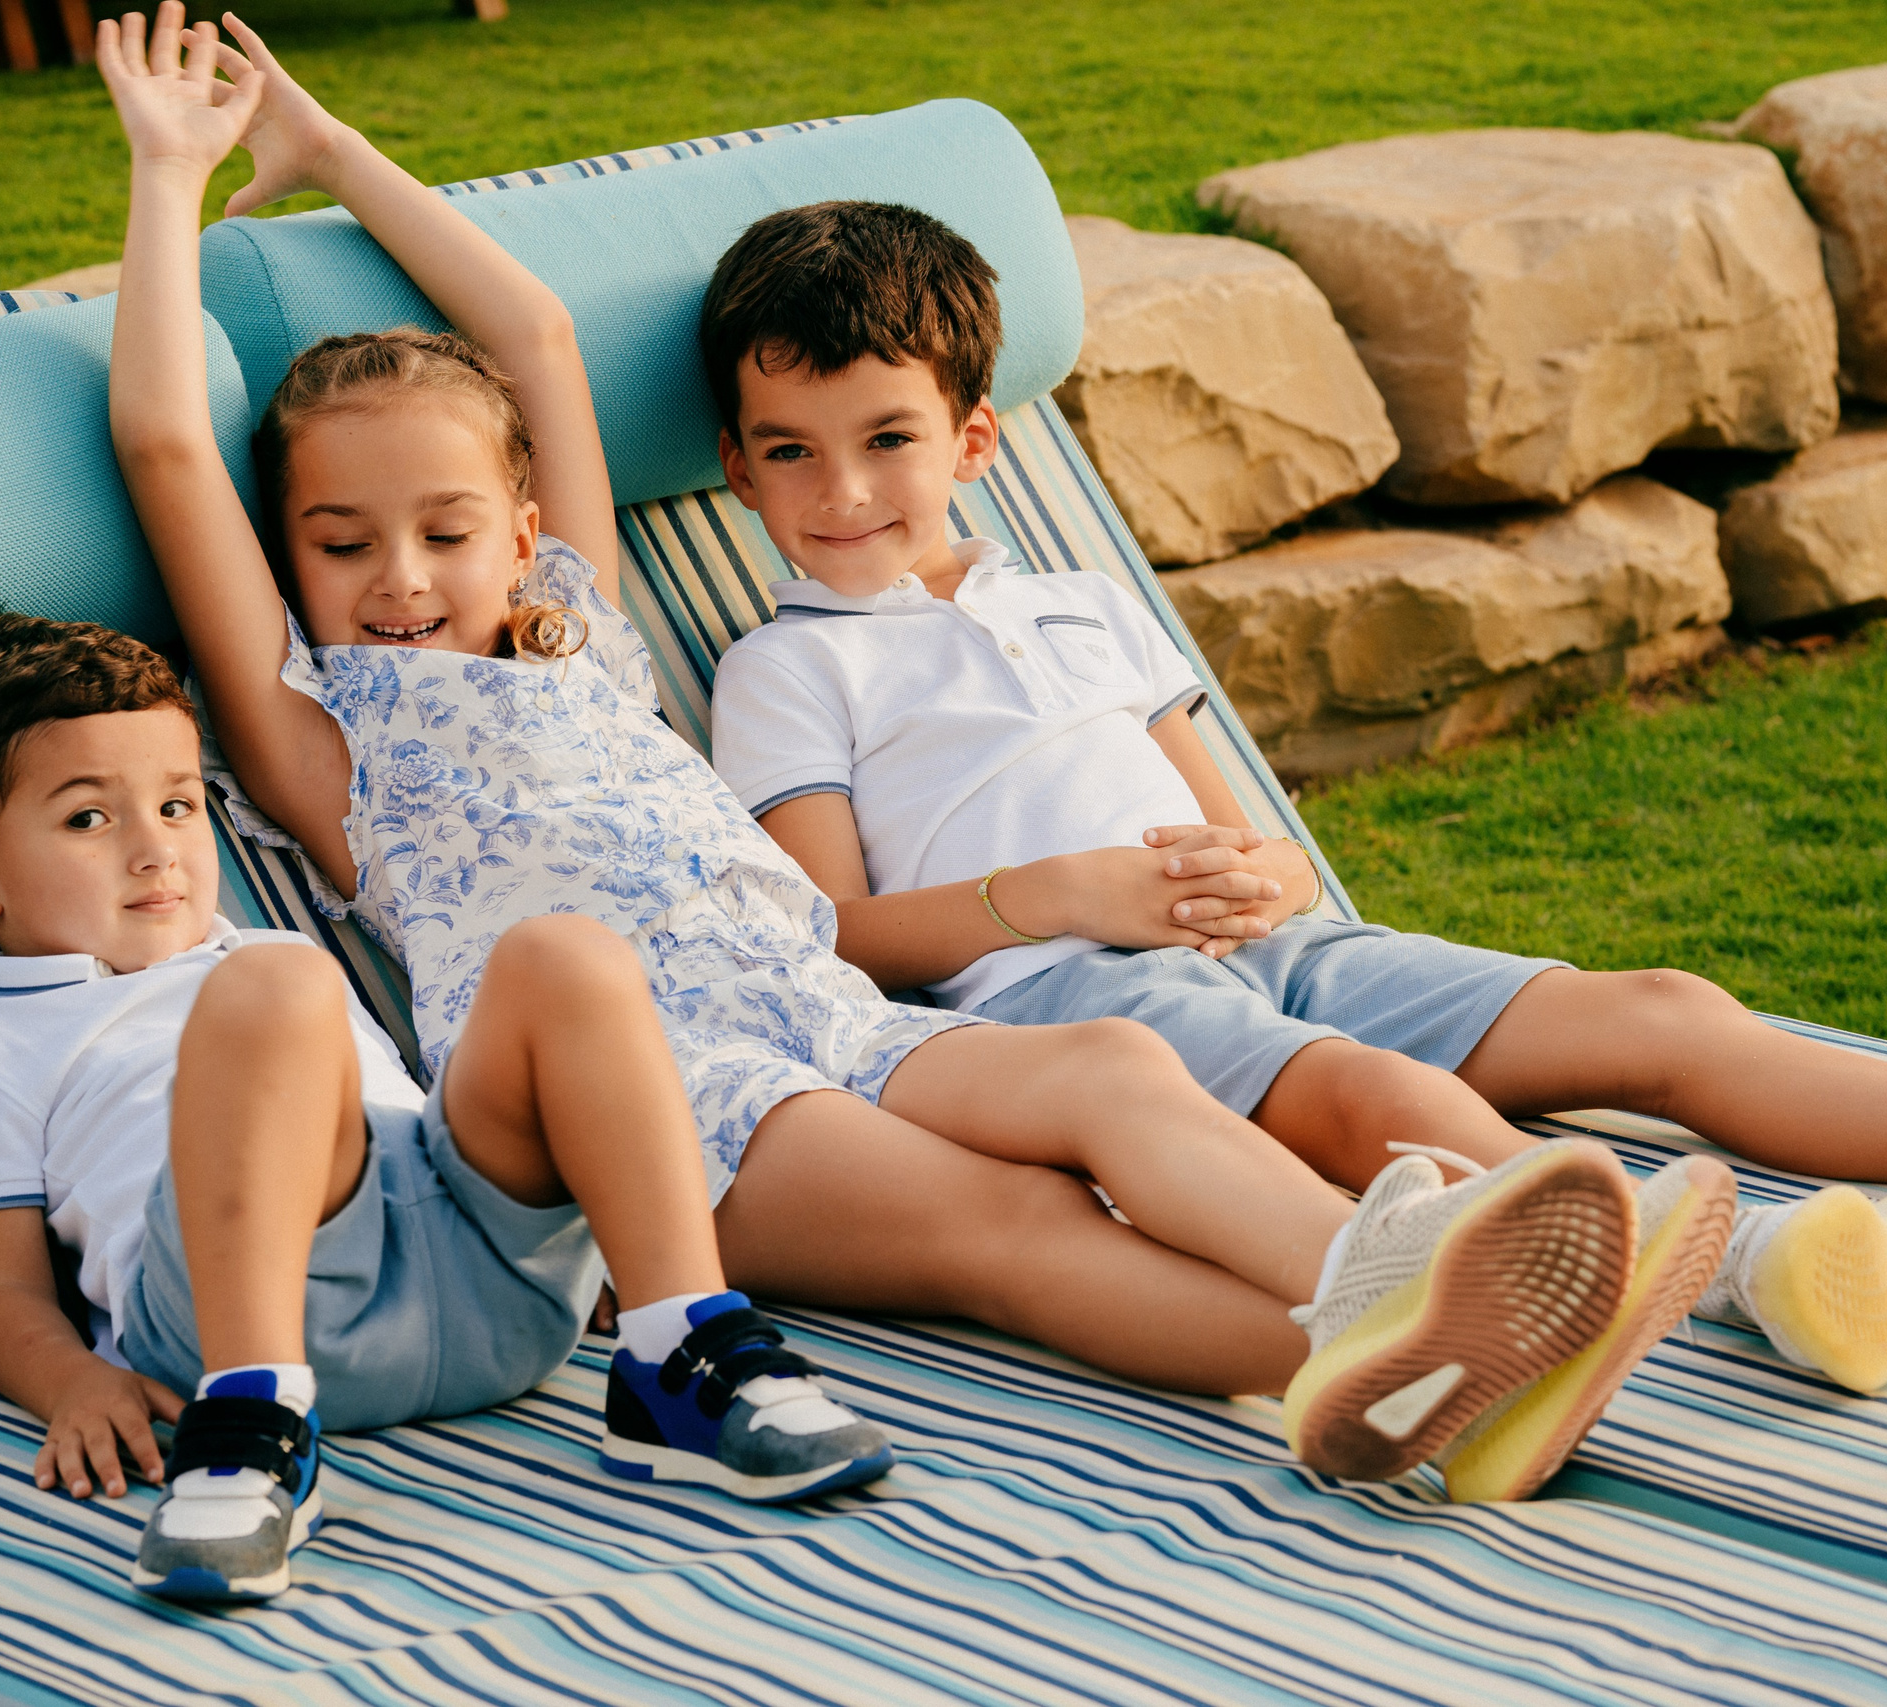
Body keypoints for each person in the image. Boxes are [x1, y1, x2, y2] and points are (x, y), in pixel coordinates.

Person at [95, 6, 1688, 1505]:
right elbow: (167, 443)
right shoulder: (332, 737)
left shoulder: (585, 627)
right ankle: (1379, 1363)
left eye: (446, 530)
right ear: (287, 561)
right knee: (1014, 1218)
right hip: (665, 1103)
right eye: (339, 541)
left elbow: (535, 331)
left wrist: (320, 144)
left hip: (834, 1011)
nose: (400, 576)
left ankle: (1403, 1278)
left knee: (1117, 1069)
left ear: (520, 530)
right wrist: (169, 174)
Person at [701, 198, 1887, 1428]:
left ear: (971, 436)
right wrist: (1067, 896)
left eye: (887, 437)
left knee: (1658, 1009)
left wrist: (1271, 866)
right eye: (791, 451)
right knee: (1381, 1099)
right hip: (1075, 991)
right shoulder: (787, 668)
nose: (842, 491)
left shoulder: (1080, 602)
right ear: (740, 467)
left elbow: (1243, 815)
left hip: (1280, 942)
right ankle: (1746, 1261)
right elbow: (835, 935)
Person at [0, 611, 897, 1612]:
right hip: (247, 1317)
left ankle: (676, 1341)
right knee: (279, 989)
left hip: (488, 1287)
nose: (157, 852)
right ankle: (251, 1437)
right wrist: (68, 1381)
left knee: (563, 951)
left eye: (181, 806)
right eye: (89, 819)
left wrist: (583, 1216)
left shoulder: (253, 947)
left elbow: (421, 1128)